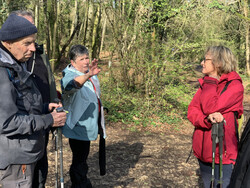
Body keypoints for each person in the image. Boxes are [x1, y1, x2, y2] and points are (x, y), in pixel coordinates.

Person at [0, 13, 67, 187]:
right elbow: (7, 123)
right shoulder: (2, 73)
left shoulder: (16, 65)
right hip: (16, 160)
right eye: (27, 43)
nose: (33, 48)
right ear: (8, 43)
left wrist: (45, 107)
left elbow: (22, 105)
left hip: (26, 153)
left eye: (33, 42)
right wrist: (49, 120)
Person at [11, 10, 58, 188]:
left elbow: (49, 82)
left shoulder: (39, 54)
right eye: (25, 27)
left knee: (41, 170)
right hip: (21, 134)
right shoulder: (9, 62)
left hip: (43, 123)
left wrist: (51, 105)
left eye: (32, 28)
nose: (30, 32)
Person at [187, 46, 244, 188]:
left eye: (206, 59)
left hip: (223, 154)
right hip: (203, 151)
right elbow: (192, 110)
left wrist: (211, 80)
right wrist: (205, 120)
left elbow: (210, 108)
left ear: (218, 62)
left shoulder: (235, 86)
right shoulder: (206, 84)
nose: (202, 63)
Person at [61, 44, 106, 187]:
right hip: (78, 127)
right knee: (79, 161)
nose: (86, 61)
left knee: (82, 159)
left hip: (89, 126)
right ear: (73, 62)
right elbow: (70, 86)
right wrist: (88, 75)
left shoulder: (88, 72)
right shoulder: (70, 75)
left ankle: (82, 182)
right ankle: (80, 184)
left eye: (87, 57)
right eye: (81, 59)